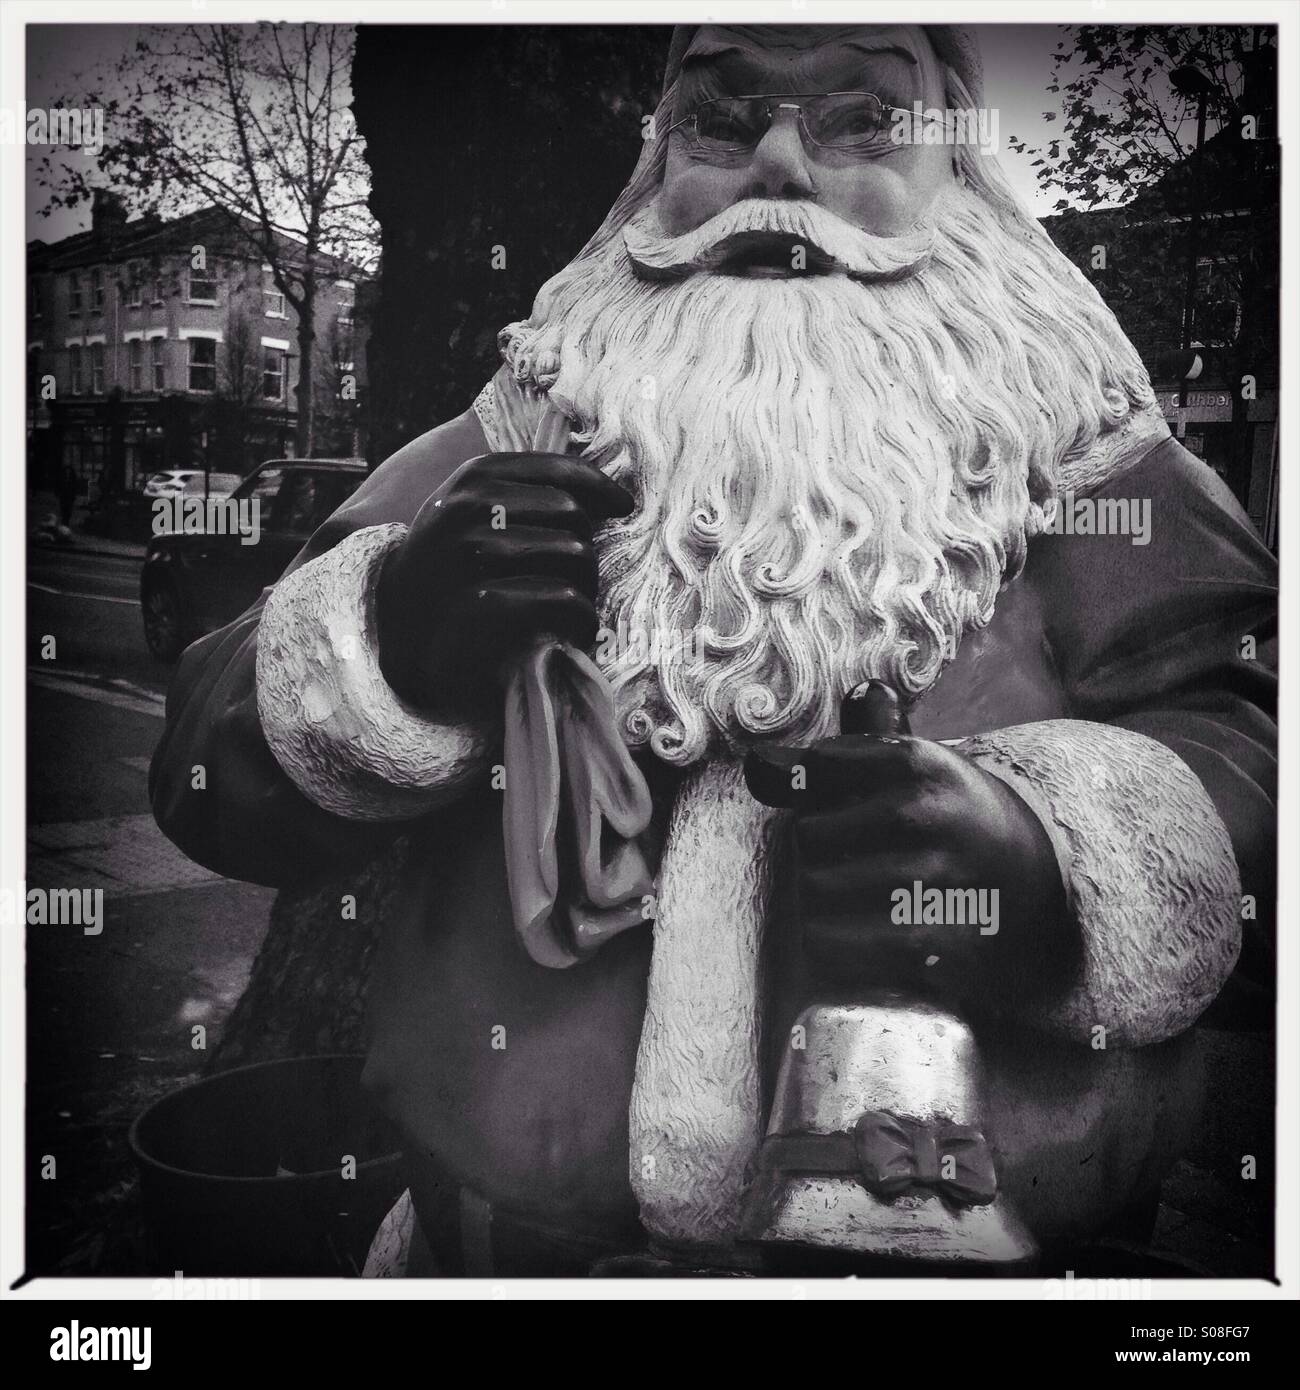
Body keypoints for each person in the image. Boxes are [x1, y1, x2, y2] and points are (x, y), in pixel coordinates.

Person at [151, 23, 1275, 1275]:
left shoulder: (1082, 458)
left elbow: (1253, 745)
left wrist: (1048, 870)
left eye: (861, 121)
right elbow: (208, 772)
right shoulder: (524, 426)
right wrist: (388, 639)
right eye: (722, 122)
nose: (779, 170)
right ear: (657, 166)